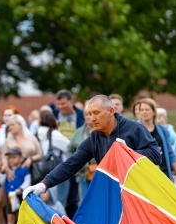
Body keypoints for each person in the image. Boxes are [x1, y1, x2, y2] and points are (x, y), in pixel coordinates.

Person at [24, 95, 161, 199]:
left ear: (111, 111)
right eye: (89, 114)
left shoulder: (135, 128)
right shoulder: (94, 138)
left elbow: (156, 155)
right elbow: (70, 164)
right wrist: (43, 185)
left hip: (139, 193)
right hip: (111, 194)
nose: (92, 118)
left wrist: (128, 153)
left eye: (96, 113)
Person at [139, 98, 176, 188]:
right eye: (142, 110)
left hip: (163, 171)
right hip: (145, 173)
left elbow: (170, 153)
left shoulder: (162, 129)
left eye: (147, 109)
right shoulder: (136, 129)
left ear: (153, 112)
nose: (144, 112)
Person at [55, 90, 85, 216]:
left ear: (71, 102)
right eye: (59, 104)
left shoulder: (81, 116)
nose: (61, 107)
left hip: (76, 159)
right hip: (58, 160)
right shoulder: (54, 115)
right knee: (60, 197)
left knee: (74, 197)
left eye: (63, 103)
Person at [36, 110, 71, 201]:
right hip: (59, 169)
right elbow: (70, 147)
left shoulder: (38, 134)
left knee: (49, 201)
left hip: (44, 170)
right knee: (60, 199)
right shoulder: (54, 134)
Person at [0, 148, 30, 224]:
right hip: (10, 196)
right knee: (10, 215)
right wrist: (2, 172)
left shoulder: (24, 170)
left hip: (20, 196)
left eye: (14, 157)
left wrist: (21, 189)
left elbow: (27, 181)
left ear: (21, 158)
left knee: (21, 215)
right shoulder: (7, 170)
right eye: (10, 158)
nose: (11, 160)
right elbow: (2, 181)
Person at [66, 110, 95, 202]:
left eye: (90, 114)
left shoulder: (102, 130)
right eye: (86, 114)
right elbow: (69, 149)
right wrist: (74, 167)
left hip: (101, 173)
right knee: (84, 201)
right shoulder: (78, 132)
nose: (88, 117)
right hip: (83, 173)